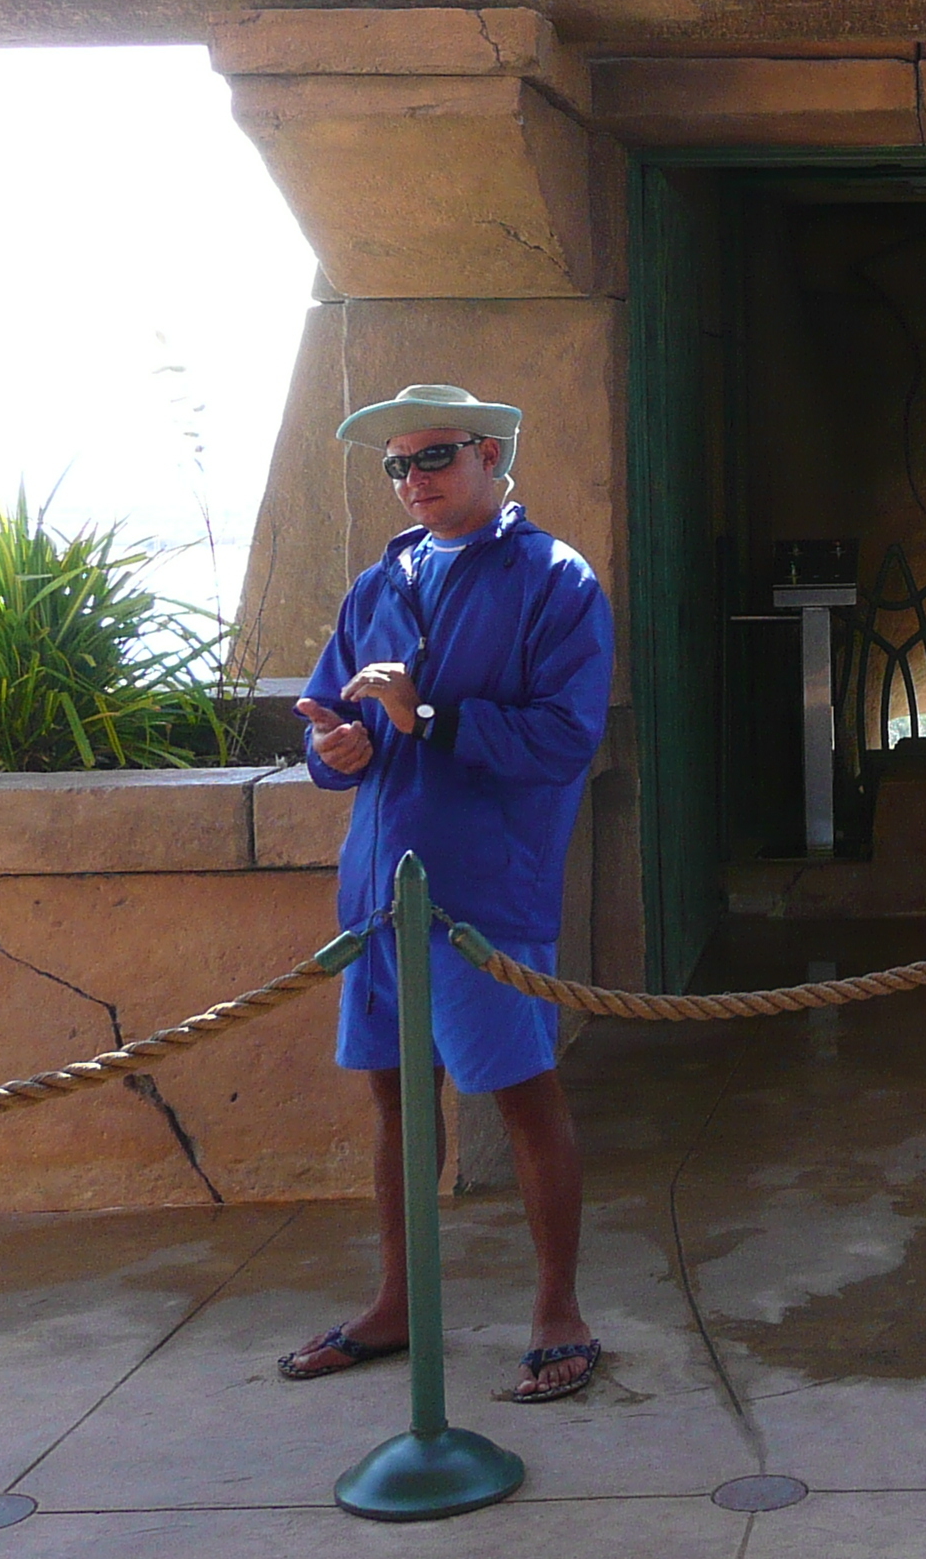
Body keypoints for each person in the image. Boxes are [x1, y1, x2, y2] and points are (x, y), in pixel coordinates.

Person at [275, 383, 615, 1406]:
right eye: (397, 463)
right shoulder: (381, 579)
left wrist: (432, 718)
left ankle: (560, 1309)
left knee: (520, 1094)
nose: (412, 479)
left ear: (493, 455)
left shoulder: (557, 580)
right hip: (378, 893)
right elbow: (337, 726)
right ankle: (396, 1300)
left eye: (433, 457)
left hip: (481, 892)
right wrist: (334, 748)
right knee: (392, 1098)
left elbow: (565, 737)